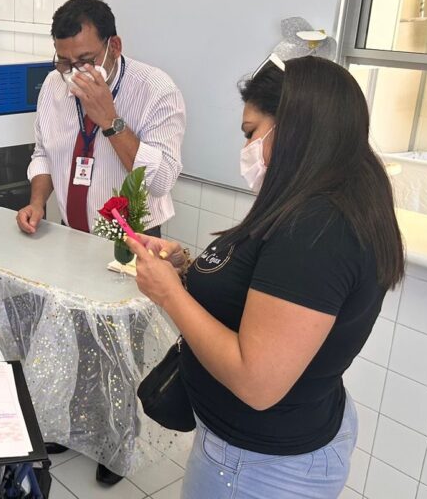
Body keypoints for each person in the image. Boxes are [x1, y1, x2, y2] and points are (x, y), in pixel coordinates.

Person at [127, 56, 405, 498]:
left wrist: (169, 294)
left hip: (258, 466)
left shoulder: (318, 229)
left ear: (294, 130)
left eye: (252, 133)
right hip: (263, 444)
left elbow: (257, 382)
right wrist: (191, 267)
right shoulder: (316, 205)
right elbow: (268, 291)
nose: (246, 148)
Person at [17, 0, 185, 238]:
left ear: (114, 47)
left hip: (132, 239)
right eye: (65, 62)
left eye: (85, 61)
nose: (74, 73)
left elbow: (160, 183)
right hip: (71, 233)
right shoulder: (54, 84)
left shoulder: (156, 90)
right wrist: (37, 202)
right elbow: (44, 153)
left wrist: (110, 121)